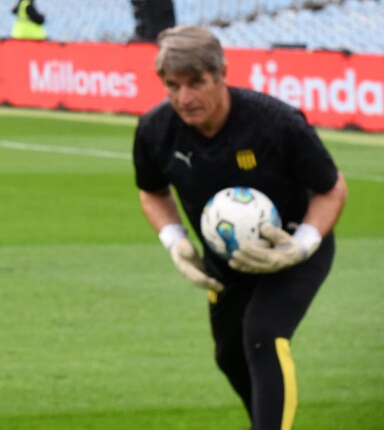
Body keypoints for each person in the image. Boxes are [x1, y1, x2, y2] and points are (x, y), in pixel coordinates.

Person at [132, 26, 348, 430]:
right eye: (172, 85)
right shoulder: (155, 129)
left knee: (262, 334)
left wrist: (301, 245)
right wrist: (175, 241)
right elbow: (152, 192)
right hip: (225, 259)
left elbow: (332, 189)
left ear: (222, 73)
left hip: (294, 247)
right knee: (229, 356)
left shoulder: (276, 122)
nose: (184, 98)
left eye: (196, 83)